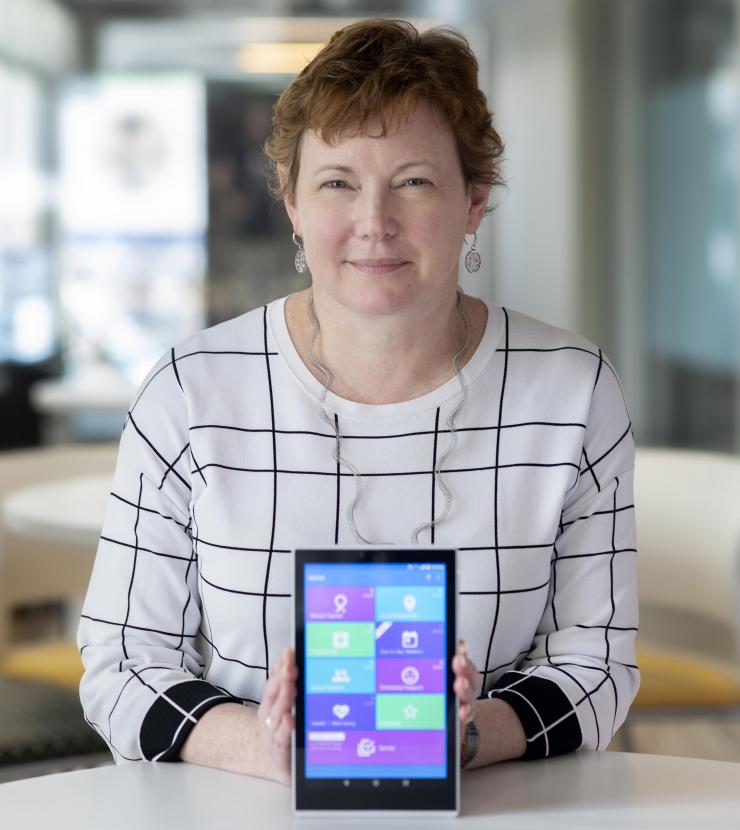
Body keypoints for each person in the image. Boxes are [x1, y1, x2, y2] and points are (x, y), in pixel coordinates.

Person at [77, 18, 639, 786]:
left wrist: (466, 736)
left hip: (491, 810)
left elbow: (598, 662)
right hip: (237, 810)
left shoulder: (574, 391)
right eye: (338, 182)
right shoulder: (189, 389)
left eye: (413, 181)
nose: (374, 223)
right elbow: (121, 663)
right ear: (293, 207)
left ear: (474, 202)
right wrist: (273, 748)